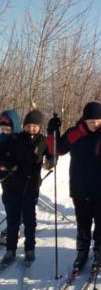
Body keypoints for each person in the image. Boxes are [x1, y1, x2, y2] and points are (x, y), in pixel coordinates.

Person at [47, 102, 101, 271]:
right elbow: (57, 149)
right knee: (83, 223)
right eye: (91, 121)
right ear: (84, 120)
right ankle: (82, 252)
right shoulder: (74, 133)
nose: (94, 124)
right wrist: (52, 131)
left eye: (98, 120)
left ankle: (99, 250)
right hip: (80, 186)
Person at [0, 110, 53, 268]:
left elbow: (53, 153)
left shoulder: (43, 141)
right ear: (23, 126)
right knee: (13, 220)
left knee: (30, 220)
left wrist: (50, 162)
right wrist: (10, 165)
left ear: (39, 127)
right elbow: (1, 156)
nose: (31, 129)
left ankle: (30, 249)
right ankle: (11, 250)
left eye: (35, 126)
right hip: (12, 186)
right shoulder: (14, 139)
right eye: (28, 125)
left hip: (30, 187)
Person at [0, 110, 22, 247]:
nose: (5, 131)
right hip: (6, 181)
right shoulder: (1, 139)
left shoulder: (20, 139)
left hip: (21, 180)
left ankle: (17, 226)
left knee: (20, 206)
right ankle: (11, 227)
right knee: (9, 204)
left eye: (8, 129)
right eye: (2, 129)